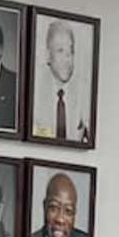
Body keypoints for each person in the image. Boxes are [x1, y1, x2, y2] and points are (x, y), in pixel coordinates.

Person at [37, 16, 94, 145]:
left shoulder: (84, 94)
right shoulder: (35, 93)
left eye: (70, 52)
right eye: (60, 51)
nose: (67, 59)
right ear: (47, 55)